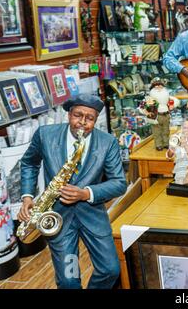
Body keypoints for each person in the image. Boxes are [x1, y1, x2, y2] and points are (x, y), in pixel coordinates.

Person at [18, 94, 127, 289]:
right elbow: (29, 163)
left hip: (92, 215)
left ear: (96, 120)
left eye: (90, 118)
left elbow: (119, 183)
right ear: (69, 114)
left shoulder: (107, 142)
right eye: (78, 115)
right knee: (69, 280)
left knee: (110, 269)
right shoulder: (45, 134)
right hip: (58, 218)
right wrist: (27, 197)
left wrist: (86, 193)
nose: (83, 123)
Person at [139, 77, 179, 151]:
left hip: (166, 115)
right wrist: (147, 113)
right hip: (156, 117)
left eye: (160, 86)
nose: (158, 88)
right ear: (153, 88)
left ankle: (166, 143)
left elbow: (175, 102)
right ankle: (158, 144)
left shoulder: (167, 97)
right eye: (156, 86)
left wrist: (172, 106)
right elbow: (141, 107)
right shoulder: (149, 99)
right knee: (157, 132)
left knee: (166, 131)